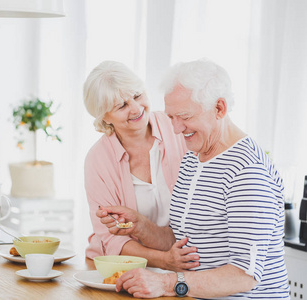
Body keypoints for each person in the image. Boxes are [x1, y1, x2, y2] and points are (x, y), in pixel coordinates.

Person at [97, 59, 290, 298]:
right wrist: (141, 226)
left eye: (185, 116)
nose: (176, 129)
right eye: (171, 118)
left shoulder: (247, 172)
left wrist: (165, 283)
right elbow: (183, 239)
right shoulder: (193, 157)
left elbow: (244, 275)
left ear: (219, 108)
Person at [83, 61, 198, 271]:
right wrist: (164, 261)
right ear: (104, 117)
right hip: (124, 267)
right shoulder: (97, 160)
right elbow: (112, 240)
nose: (136, 109)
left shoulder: (177, 128)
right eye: (121, 106)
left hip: (185, 259)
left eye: (137, 96)